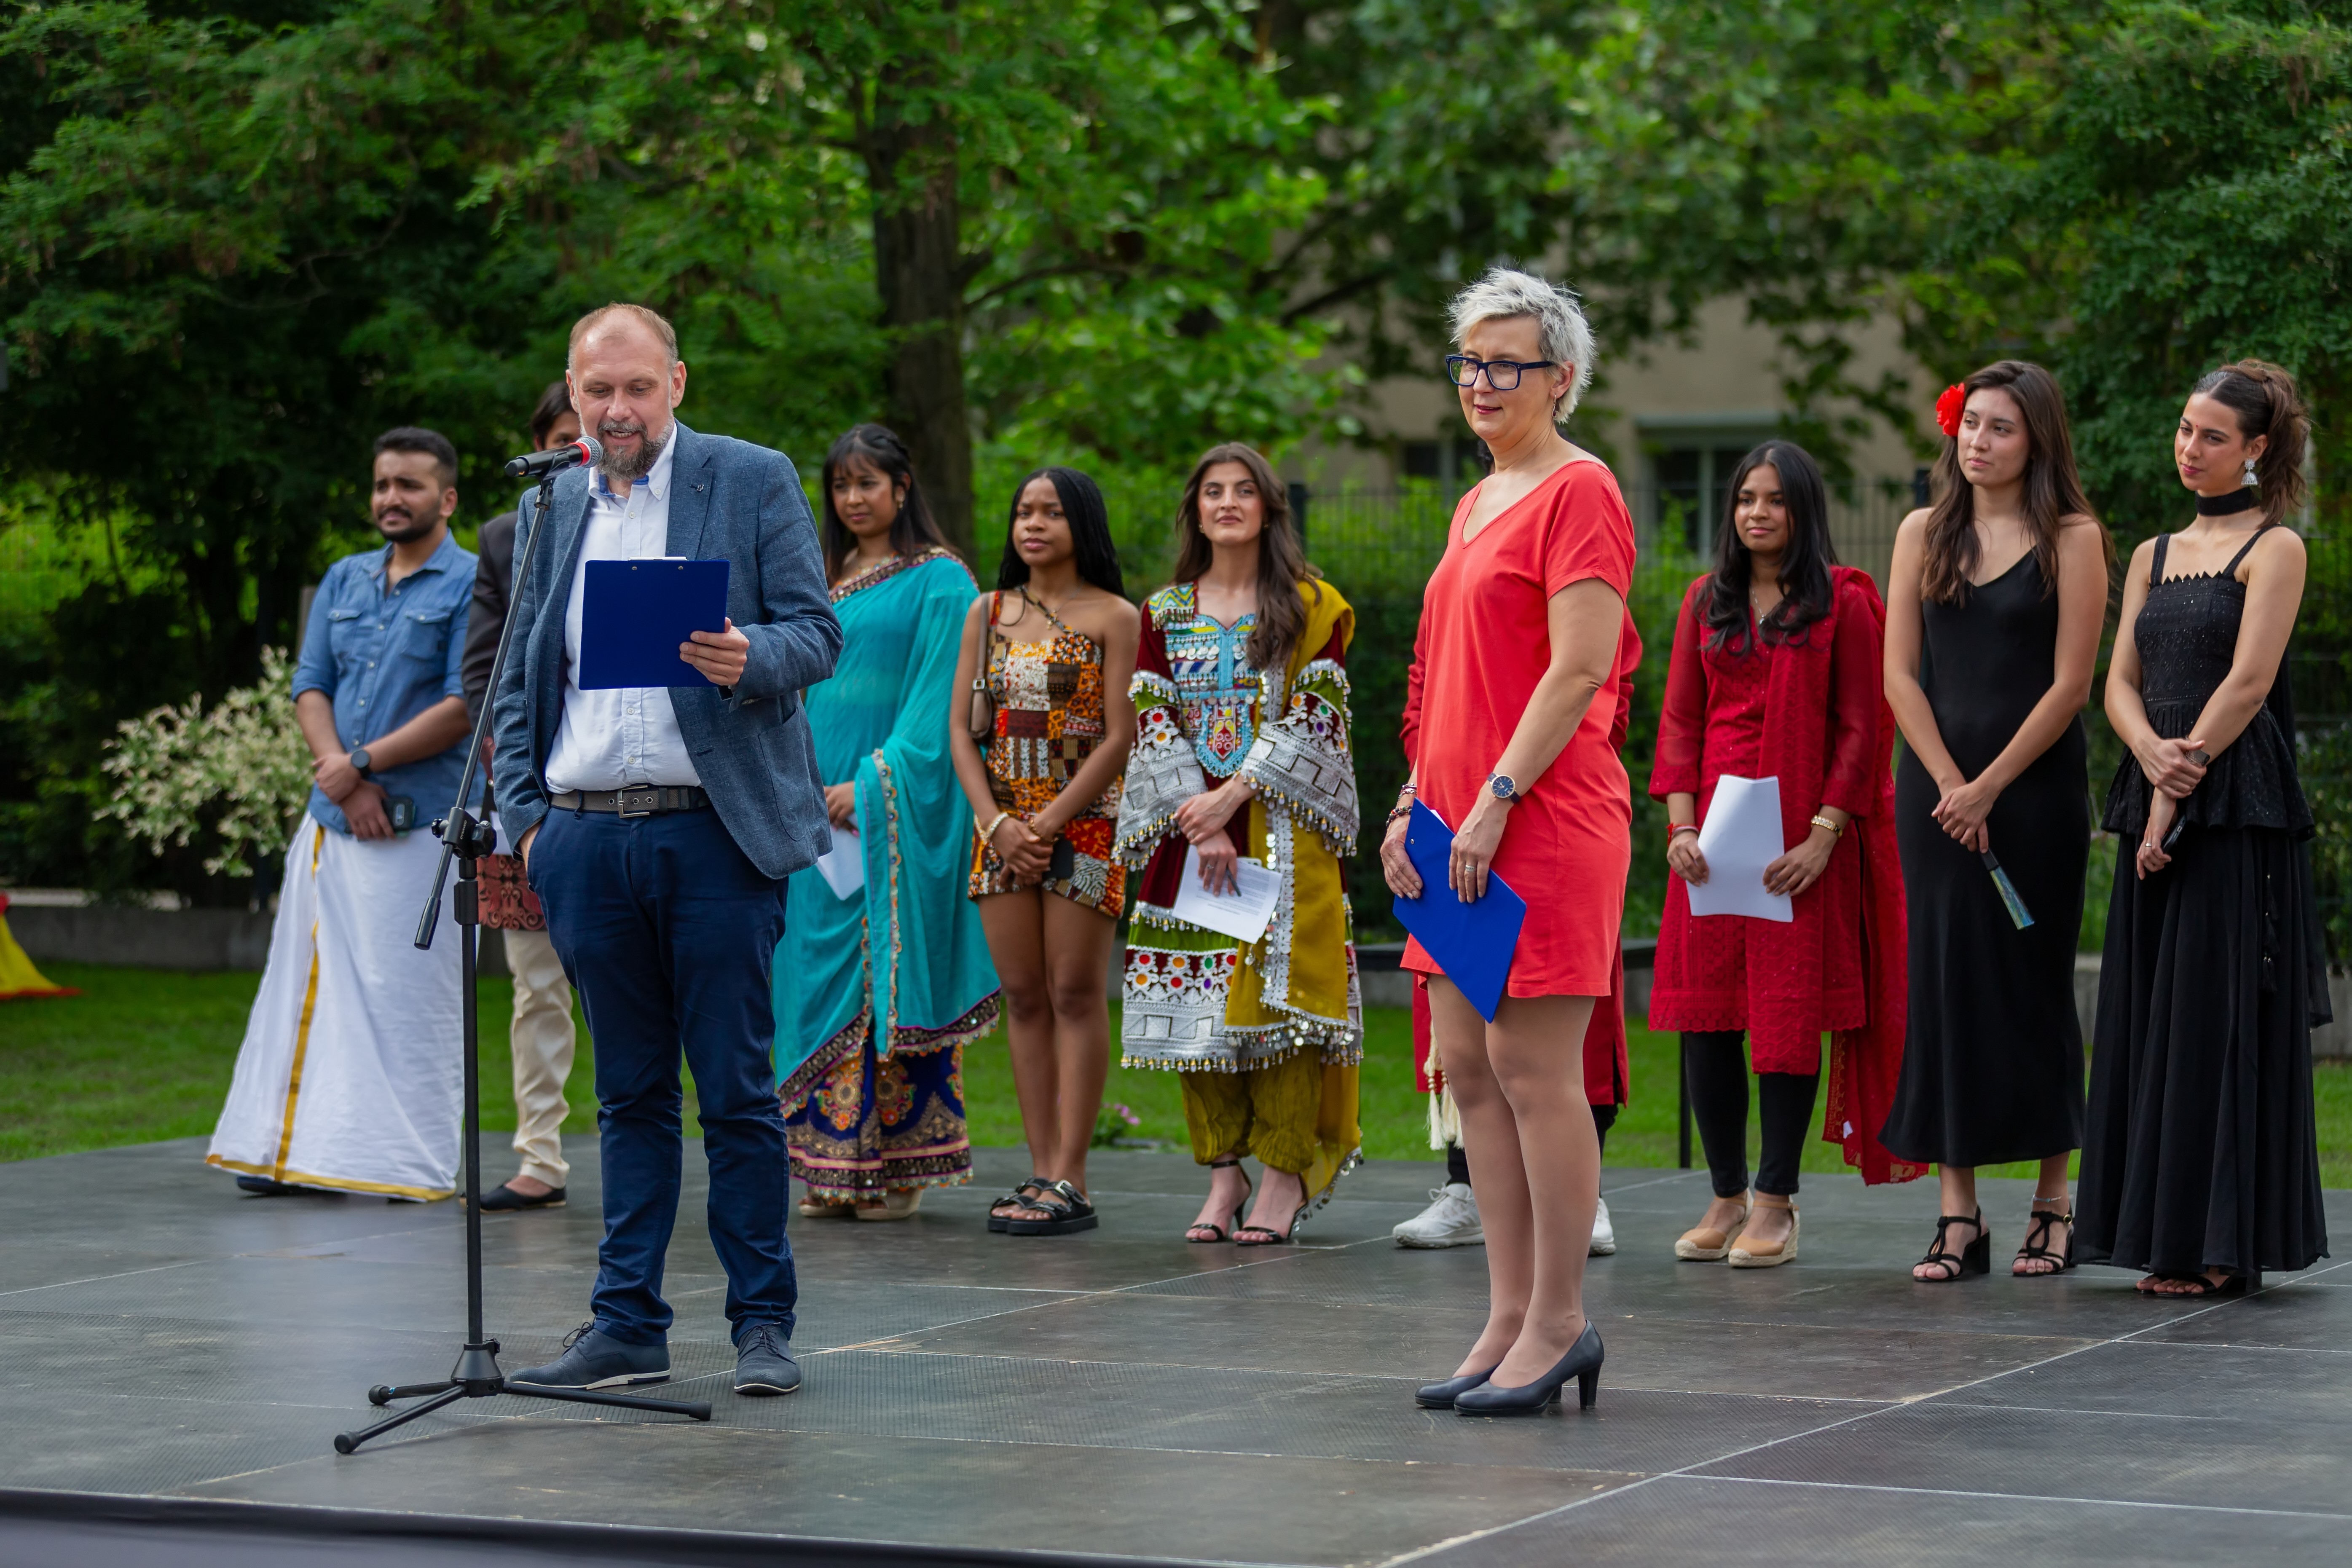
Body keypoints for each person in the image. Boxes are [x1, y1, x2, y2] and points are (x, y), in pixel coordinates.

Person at [493, 304, 842, 1399]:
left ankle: (762, 1326)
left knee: (733, 1092)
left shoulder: (749, 478)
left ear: (677, 384)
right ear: (573, 393)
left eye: (637, 388)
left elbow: (817, 633)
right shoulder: (550, 502)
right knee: (628, 1096)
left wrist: (748, 656)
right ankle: (625, 1324)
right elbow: (517, 675)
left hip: (714, 835)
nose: (617, 410)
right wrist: (530, 822)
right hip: (585, 840)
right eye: (597, 391)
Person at [1380, 266, 1638, 1416]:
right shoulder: (1476, 499)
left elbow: (1579, 668)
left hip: (1540, 818)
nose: (1480, 382)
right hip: (1452, 827)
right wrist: (1410, 803)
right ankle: (1505, 1314)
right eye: (1468, 363)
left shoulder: (1581, 490)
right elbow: (1441, 679)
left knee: (1535, 1072)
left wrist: (1492, 797)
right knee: (1471, 1073)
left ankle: (1560, 1321)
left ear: (1560, 378)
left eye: (1505, 364)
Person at [2078, 360, 2330, 1297]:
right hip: (2160, 784)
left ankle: (2222, 1240)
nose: (2189, 448)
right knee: (2152, 1017)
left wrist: (2174, 787)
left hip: (2231, 809)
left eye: (2212, 436)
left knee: (2214, 1020)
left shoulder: (2276, 547)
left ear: (2255, 448)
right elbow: (2117, 682)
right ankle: (2163, 1238)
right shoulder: (2151, 552)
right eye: (2185, 429)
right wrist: (2149, 757)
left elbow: (2249, 682)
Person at [1649, 440, 1916, 1270]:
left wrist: (1823, 835)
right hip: (1711, 846)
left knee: (1786, 1018)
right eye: (1744, 499)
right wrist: (1680, 829)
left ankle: (1775, 1200)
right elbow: (1680, 720)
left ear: (1803, 511)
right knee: (1707, 1021)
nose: (1756, 513)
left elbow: (1863, 726)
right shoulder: (1705, 601)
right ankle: (1725, 1194)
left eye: (1773, 500)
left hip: (1799, 845)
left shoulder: (1844, 601)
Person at [1880, 364, 2109, 1281]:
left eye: (2000, 427)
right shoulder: (1921, 531)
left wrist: (1990, 787)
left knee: (2033, 985)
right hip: (1933, 797)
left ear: (2036, 439)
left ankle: (2053, 1203)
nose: (1977, 441)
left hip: (2034, 796)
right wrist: (1950, 783)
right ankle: (1957, 1213)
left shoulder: (2074, 538)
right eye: (1969, 423)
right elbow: (1899, 675)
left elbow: (2071, 685)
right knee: (1943, 987)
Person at [208, 428, 478, 1200]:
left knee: (407, 999)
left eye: (410, 485)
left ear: (446, 499)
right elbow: (311, 683)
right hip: (335, 822)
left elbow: (464, 704)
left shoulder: (471, 583)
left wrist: (362, 765)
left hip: (421, 825)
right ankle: (298, 1155)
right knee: (308, 987)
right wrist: (344, 778)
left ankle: (401, 1165)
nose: (391, 498)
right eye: (383, 483)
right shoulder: (345, 576)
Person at [1115, 443, 1362, 1245]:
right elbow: (1152, 718)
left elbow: (1317, 717)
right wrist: (1204, 816)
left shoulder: (1311, 604)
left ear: (1267, 508)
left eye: (1243, 490)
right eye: (1212, 491)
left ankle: (1282, 1174)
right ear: (1194, 510)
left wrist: (1234, 796)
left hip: (1283, 834)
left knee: (1281, 1012)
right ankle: (1224, 1173)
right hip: (1190, 834)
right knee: (1195, 1008)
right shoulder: (1162, 612)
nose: (1226, 502)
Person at [777, 424, 1000, 1220]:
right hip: (808, 813)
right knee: (810, 978)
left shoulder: (941, 581)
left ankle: (898, 1171)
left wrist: (871, 786)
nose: (853, 499)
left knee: (883, 979)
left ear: (903, 488)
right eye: (841, 485)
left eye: (868, 482)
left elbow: (940, 703)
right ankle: (829, 1166)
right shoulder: (820, 578)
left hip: (879, 813)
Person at [947, 467, 1137, 1238]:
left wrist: (1048, 824)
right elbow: (960, 732)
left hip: (1084, 827)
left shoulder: (1116, 616)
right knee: (1024, 997)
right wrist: (998, 825)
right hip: (999, 832)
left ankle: (1072, 1177)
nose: (1032, 524)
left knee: (1074, 992)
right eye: (1023, 511)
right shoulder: (987, 611)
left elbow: (1120, 736)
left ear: (1080, 523)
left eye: (1051, 512)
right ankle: (1038, 1170)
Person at [460, 380, 585, 1213]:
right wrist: (508, 759)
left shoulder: (657, 521)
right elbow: (481, 668)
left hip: (629, 785)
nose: (576, 451)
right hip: (529, 790)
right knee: (536, 981)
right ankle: (540, 1155)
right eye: (561, 439)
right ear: (537, 448)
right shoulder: (507, 536)